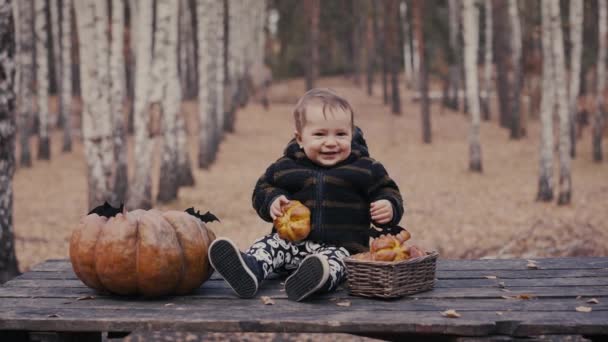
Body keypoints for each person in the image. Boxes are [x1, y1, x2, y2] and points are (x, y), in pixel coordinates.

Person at [208, 88, 404, 301]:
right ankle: (250, 270)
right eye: (320, 134)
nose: (331, 142)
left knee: (335, 264)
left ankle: (313, 281)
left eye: (341, 134)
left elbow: (388, 190)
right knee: (270, 244)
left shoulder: (366, 169)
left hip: (344, 248)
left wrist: (388, 205)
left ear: (351, 133)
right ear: (300, 138)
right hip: (291, 246)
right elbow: (262, 189)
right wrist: (272, 199)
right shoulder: (286, 167)